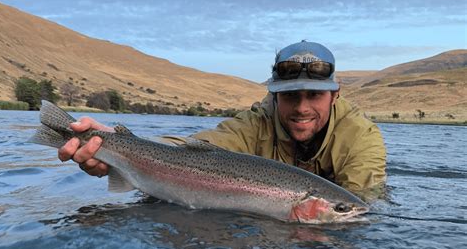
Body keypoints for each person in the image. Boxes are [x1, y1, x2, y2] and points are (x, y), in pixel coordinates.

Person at [59, 40, 386, 199]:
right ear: (273, 96)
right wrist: (116, 146)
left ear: (335, 94)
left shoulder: (361, 137)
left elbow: (364, 202)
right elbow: (189, 150)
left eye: (314, 95)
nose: (301, 107)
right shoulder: (254, 123)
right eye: (289, 96)